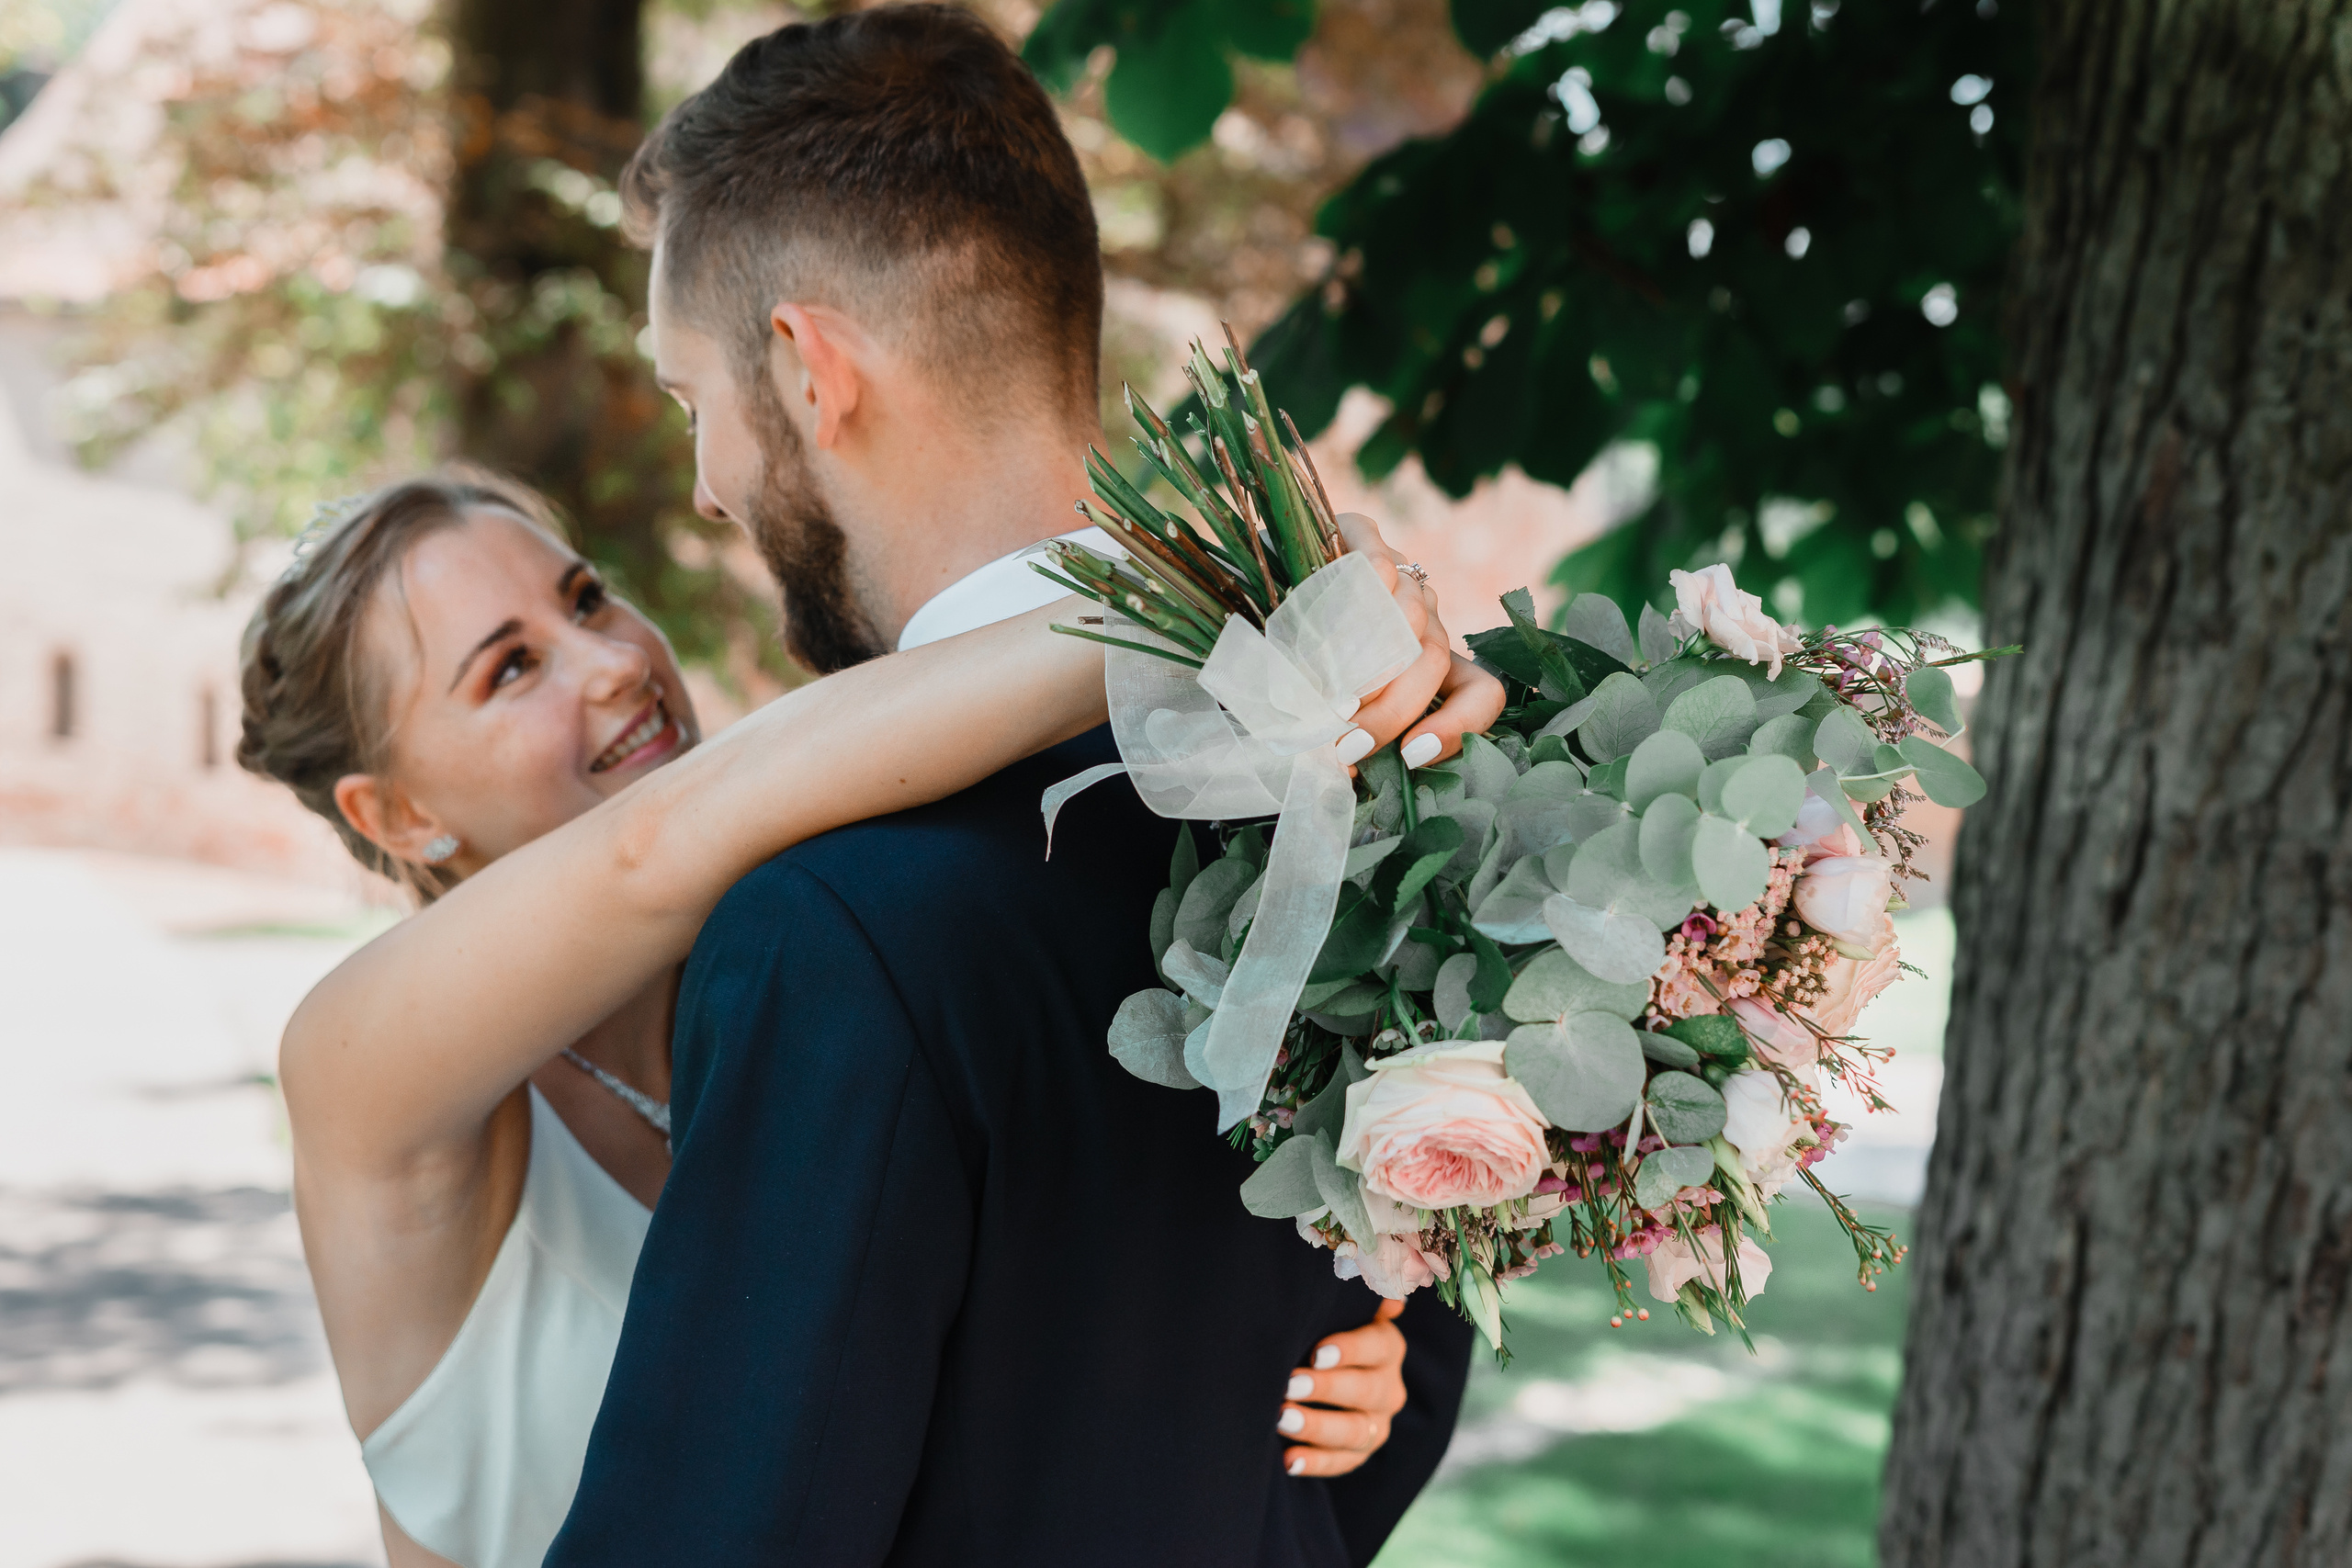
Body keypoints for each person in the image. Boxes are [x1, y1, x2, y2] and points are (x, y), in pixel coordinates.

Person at [546, 8, 1504, 1565]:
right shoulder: (1366, 799)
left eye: (688, 399)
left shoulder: (836, 929)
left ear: (807, 370)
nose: (706, 481)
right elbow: (1386, 1379)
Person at [243, 471, 1491, 1568]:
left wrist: (1320, 1374)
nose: (615, 660)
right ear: (396, 817)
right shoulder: (363, 1086)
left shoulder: (834, 977)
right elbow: (653, 848)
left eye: (584, 599)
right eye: (510, 668)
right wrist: (1238, 590)